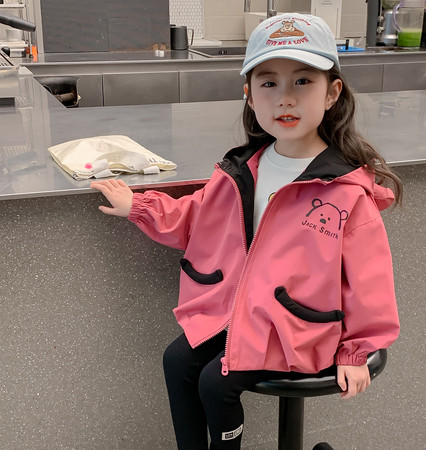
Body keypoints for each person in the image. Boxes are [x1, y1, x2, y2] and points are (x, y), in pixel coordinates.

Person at [91, 13, 402, 450]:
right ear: (250, 96)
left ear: (332, 93)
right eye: (269, 83)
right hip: (238, 309)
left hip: (295, 328)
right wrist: (139, 207)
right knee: (176, 360)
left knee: (215, 385)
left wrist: (357, 350)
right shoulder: (240, 169)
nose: (285, 98)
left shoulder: (346, 192)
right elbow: (195, 218)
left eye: (303, 81)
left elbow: (370, 282)